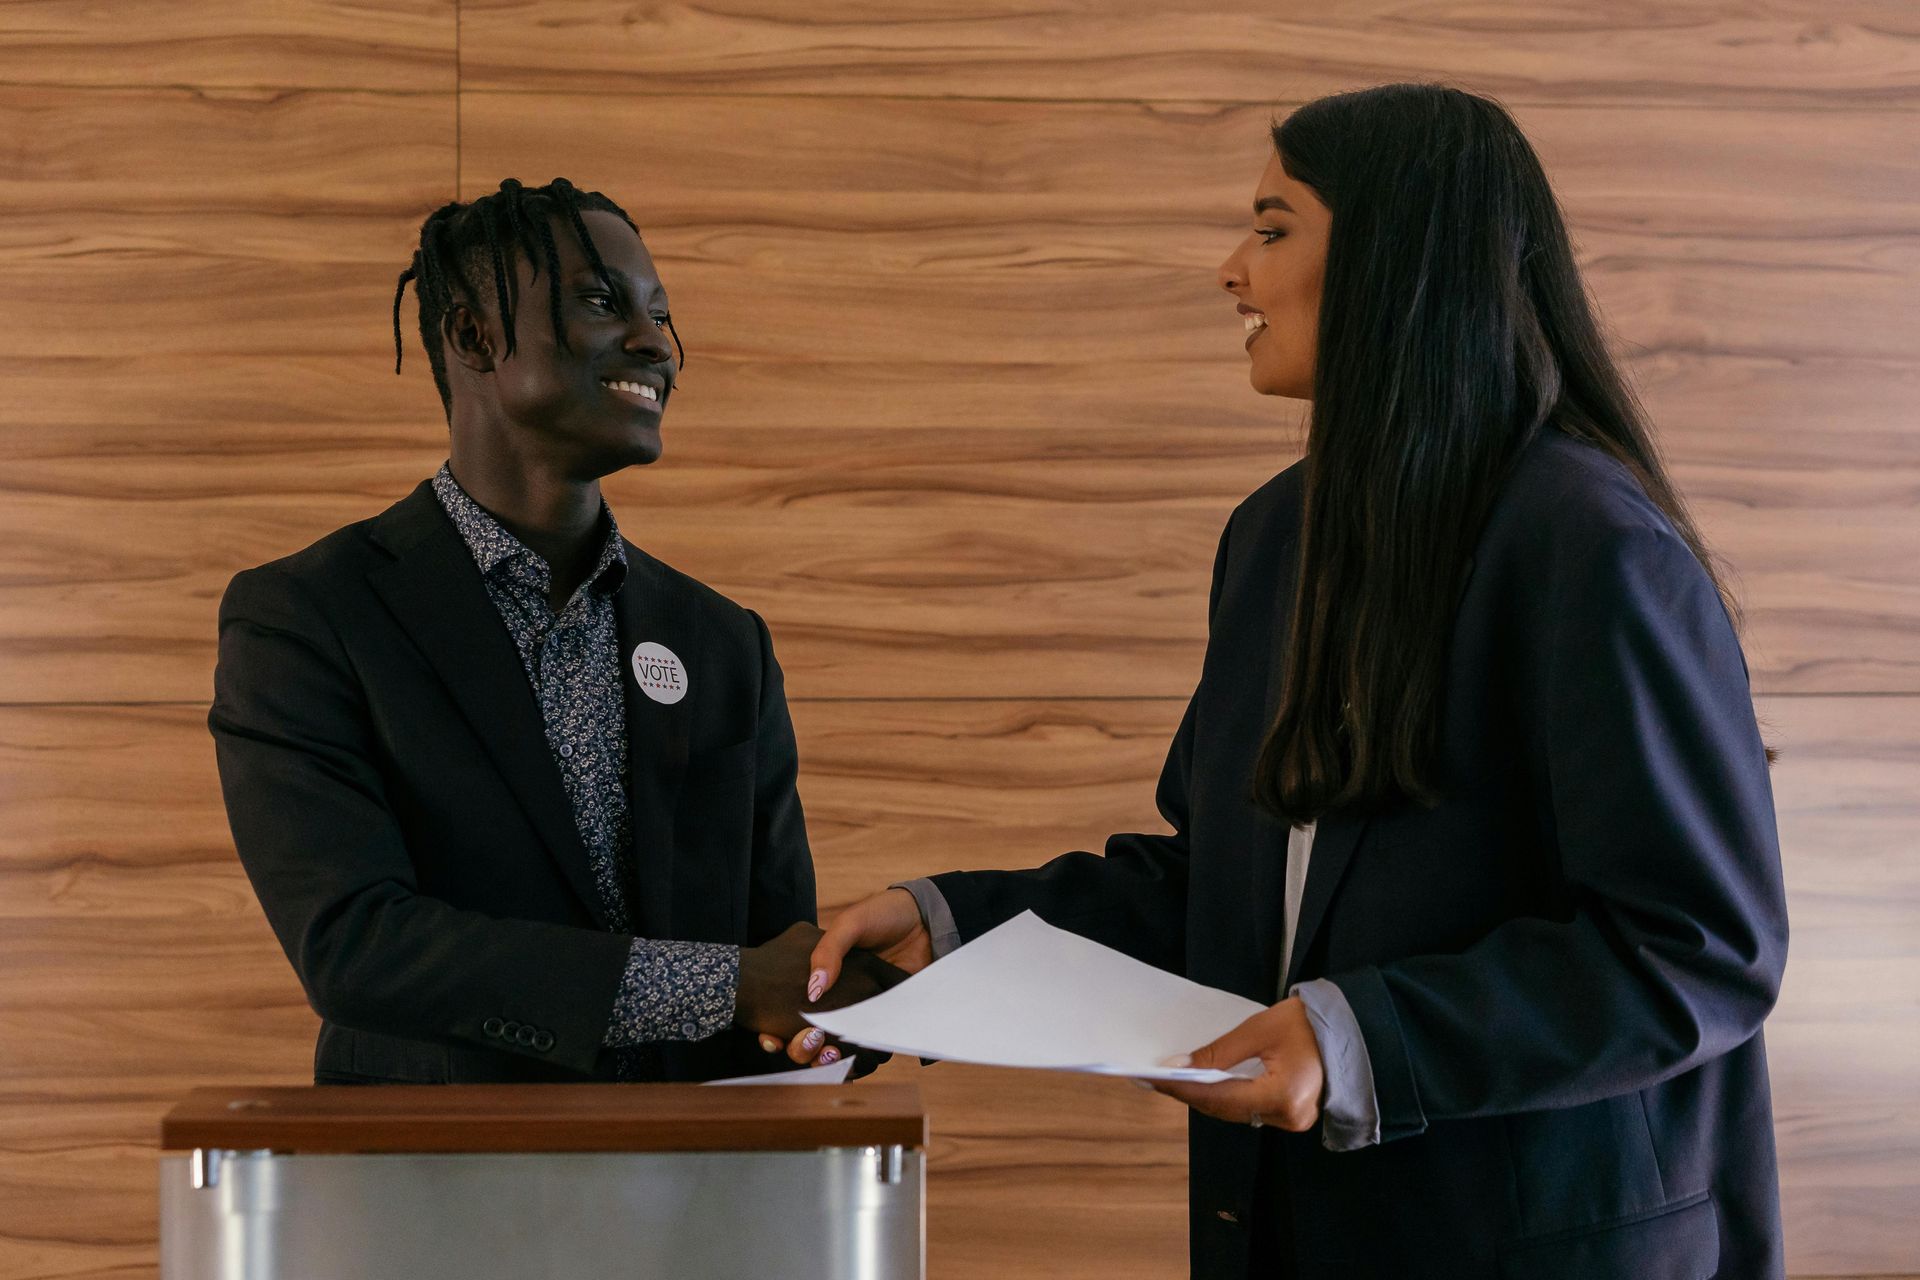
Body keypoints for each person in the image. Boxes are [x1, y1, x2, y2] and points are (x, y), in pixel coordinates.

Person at [802, 85, 1789, 1279]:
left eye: (1272, 229)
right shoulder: (1271, 539)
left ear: (1398, 261)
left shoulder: (1593, 545)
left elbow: (1692, 945)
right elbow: (1222, 892)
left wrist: (1363, 1033)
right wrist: (953, 925)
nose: (1232, 271)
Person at [208, 177, 895, 1086]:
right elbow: (356, 947)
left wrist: (836, 1008)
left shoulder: (724, 643)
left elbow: (776, 965)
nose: (656, 344)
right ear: (472, 336)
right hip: (432, 1196)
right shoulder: (309, 618)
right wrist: (723, 986)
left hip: (697, 1205)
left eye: (662, 315)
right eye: (604, 302)